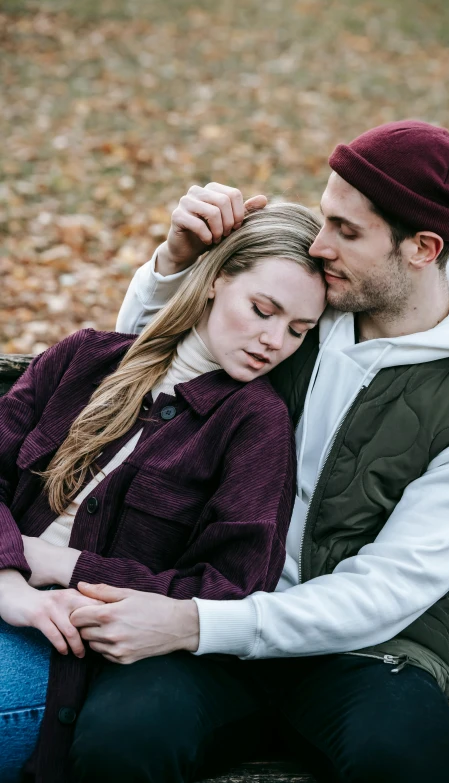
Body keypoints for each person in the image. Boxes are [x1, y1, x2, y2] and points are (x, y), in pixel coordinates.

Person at [69, 120, 449, 783]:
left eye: (346, 230)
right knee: (119, 740)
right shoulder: (298, 307)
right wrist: (171, 263)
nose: (319, 244)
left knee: (409, 759)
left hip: (365, 651)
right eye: (322, 217)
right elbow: (148, 387)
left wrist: (194, 624)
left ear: (423, 247)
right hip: (207, 605)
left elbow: (390, 588)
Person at [0, 204, 326, 783]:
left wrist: (65, 565)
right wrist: (7, 578)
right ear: (214, 280)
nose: (273, 340)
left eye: (298, 331)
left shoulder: (255, 426)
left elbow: (226, 590)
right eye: (262, 310)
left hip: (61, 651)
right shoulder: (85, 358)